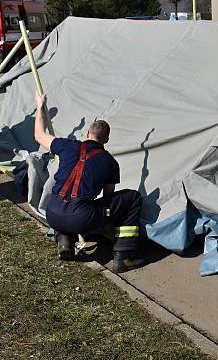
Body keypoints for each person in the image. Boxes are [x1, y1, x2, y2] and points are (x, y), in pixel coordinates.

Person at [33, 93, 145, 273]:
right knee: (132, 198)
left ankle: (65, 239)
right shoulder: (110, 163)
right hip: (79, 218)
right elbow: (109, 202)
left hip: (52, 213)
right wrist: (110, 233)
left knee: (70, 202)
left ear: (87, 133)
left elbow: (39, 135)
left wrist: (40, 107)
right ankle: (124, 254)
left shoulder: (67, 145)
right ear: (106, 140)